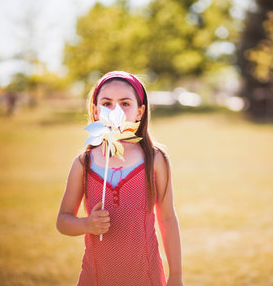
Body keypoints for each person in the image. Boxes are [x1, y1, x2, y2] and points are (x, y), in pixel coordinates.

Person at [56, 71, 183, 286]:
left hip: (145, 276)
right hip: (95, 277)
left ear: (139, 112)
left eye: (125, 103)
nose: (116, 110)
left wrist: (176, 276)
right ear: (95, 111)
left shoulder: (155, 160)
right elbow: (63, 221)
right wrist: (87, 224)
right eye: (107, 103)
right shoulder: (83, 163)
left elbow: (168, 218)